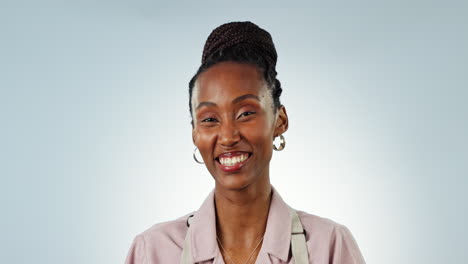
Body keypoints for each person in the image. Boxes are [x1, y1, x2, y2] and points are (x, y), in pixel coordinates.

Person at [125, 21, 366, 264]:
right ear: (195, 134)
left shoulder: (330, 246)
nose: (228, 137)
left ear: (279, 121)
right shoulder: (153, 251)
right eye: (209, 119)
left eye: (246, 113)